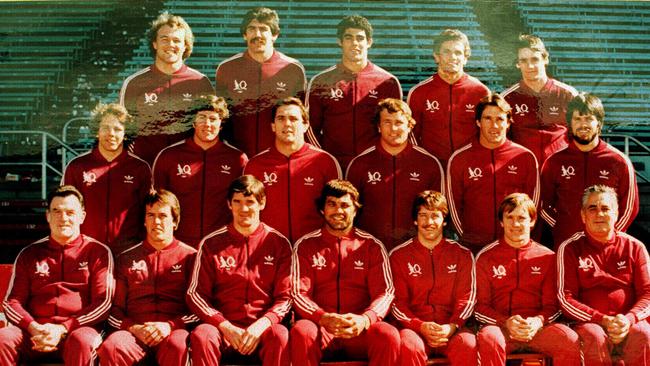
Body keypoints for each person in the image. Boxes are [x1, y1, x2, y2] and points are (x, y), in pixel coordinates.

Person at [0, 186, 114, 365]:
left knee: (82, 341)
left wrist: (62, 328)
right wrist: (34, 327)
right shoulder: (29, 253)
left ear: (82, 216)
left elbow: (103, 303)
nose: (64, 218)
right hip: (36, 332)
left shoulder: (97, 252)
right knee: (3, 339)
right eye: (57, 211)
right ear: (47, 216)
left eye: (70, 212)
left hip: (77, 330)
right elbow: (12, 302)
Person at [291, 179, 399, 366]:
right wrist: (322, 317)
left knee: (387, 335)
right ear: (322, 209)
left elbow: (385, 292)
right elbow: (298, 292)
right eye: (332, 204)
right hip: (321, 327)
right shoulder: (306, 245)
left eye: (345, 205)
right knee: (302, 331)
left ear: (355, 210)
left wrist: (365, 320)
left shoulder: (372, 246)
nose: (338, 211)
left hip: (359, 329)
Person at [187, 175, 292, 366]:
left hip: (262, 330)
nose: (244, 209)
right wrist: (225, 326)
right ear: (229, 204)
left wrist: (260, 326)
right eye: (237, 202)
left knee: (280, 334)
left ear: (262, 203)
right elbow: (195, 294)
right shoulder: (211, 243)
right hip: (223, 330)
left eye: (250, 202)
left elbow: (285, 298)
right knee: (202, 335)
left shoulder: (279, 244)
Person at [475, 193, 581, 365]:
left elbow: (554, 306)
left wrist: (538, 321)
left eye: (522, 218)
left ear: (532, 221)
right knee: (489, 340)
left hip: (538, 328)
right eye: (509, 217)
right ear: (501, 222)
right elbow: (480, 307)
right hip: (500, 328)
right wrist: (505, 322)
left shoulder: (548, 257)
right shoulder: (485, 257)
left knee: (568, 339)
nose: (515, 224)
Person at [98, 190, 197, 366]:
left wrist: (170, 326)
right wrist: (134, 328)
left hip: (172, 331)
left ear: (175, 221)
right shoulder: (126, 258)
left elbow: (198, 309)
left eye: (163, 216)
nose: (156, 221)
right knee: (112, 347)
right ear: (144, 220)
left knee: (177, 345)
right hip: (134, 331)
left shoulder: (191, 257)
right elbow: (114, 310)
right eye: (151, 215)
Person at [557, 185, 650, 365]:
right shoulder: (570, 248)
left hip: (628, 321)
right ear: (583, 216)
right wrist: (601, 319)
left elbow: (648, 293)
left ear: (616, 214)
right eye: (592, 208)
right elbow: (565, 298)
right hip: (589, 324)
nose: (599, 214)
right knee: (594, 336)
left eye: (605, 208)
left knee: (644, 334)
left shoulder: (635, 247)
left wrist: (628, 319)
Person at [540, 92, 639, 248]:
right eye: (577, 119)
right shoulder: (554, 162)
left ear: (599, 123)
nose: (583, 124)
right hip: (567, 245)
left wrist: (609, 234)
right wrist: (561, 228)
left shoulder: (618, 161)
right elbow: (542, 204)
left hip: (606, 247)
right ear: (569, 124)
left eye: (588, 119)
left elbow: (630, 207)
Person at [390, 191, 476, 365]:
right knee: (409, 346)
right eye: (423, 215)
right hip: (414, 328)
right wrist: (419, 325)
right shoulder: (398, 255)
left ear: (444, 220)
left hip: (451, 327)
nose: (429, 222)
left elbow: (467, 298)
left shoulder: (462, 254)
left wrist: (452, 326)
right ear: (415, 220)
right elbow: (397, 303)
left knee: (468, 344)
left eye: (435, 216)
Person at [346, 98, 444, 250]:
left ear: (410, 126)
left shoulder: (429, 163)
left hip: (414, 251)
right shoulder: (359, 164)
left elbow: (438, 213)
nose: (393, 129)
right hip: (368, 250)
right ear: (378, 126)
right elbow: (350, 212)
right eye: (387, 122)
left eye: (399, 123)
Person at [306, 15, 403, 167]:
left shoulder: (387, 82)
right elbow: (309, 127)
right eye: (349, 38)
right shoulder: (321, 81)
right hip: (334, 163)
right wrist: (324, 158)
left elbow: (396, 128)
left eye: (360, 38)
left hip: (374, 164)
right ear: (340, 42)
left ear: (369, 42)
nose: (355, 43)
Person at [447, 93, 539, 252]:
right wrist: (468, 238)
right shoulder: (459, 158)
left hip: (513, 245)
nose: (494, 125)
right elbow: (453, 206)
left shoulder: (525, 157)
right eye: (487, 118)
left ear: (508, 123)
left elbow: (533, 205)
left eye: (500, 119)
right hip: (473, 247)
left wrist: (519, 237)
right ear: (478, 122)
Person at [152, 95, 247, 247]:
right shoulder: (169, 156)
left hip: (222, 244)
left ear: (221, 124)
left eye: (213, 118)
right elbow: (156, 204)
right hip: (179, 244)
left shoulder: (237, 159)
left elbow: (245, 205)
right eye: (202, 117)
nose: (207, 124)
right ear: (194, 122)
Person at [120, 12, 214, 165]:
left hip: (187, 169)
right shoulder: (134, 83)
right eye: (164, 39)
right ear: (154, 44)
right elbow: (123, 130)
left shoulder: (200, 82)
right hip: (146, 168)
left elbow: (211, 130)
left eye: (177, 40)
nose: (171, 45)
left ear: (185, 46)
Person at [244, 97, 341, 242]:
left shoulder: (325, 162)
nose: (287, 124)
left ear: (305, 125)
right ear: (273, 125)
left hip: (313, 250)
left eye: (293, 119)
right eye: (281, 118)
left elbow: (337, 210)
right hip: (268, 248)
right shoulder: (255, 165)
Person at [215, 7, 306, 157]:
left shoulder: (293, 69)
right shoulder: (226, 68)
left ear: (275, 35)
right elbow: (220, 116)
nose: (257, 34)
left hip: (278, 155)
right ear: (245, 34)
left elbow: (301, 118)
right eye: (252, 29)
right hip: (236, 156)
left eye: (263, 29)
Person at [62, 102, 151, 254]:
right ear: (97, 131)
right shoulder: (77, 166)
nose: (111, 133)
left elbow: (148, 211)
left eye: (117, 129)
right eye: (105, 128)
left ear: (125, 133)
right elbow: (66, 208)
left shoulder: (139, 168)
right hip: (86, 250)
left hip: (128, 251)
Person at [407, 29, 490, 165]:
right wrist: (425, 161)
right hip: (431, 166)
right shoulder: (419, 92)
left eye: (458, 52)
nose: (453, 57)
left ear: (465, 58)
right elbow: (411, 134)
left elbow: (487, 132)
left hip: (471, 166)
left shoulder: (480, 92)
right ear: (437, 56)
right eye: (447, 52)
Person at [501, 34, 578, 166]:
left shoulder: (568, 95)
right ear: (517, 64)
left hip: (560, 169)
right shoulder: (507, 99)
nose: (530, 66)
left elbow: (579, 134)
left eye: (535, 59)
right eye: (523, 61)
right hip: (523, 168)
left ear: (545, 59)